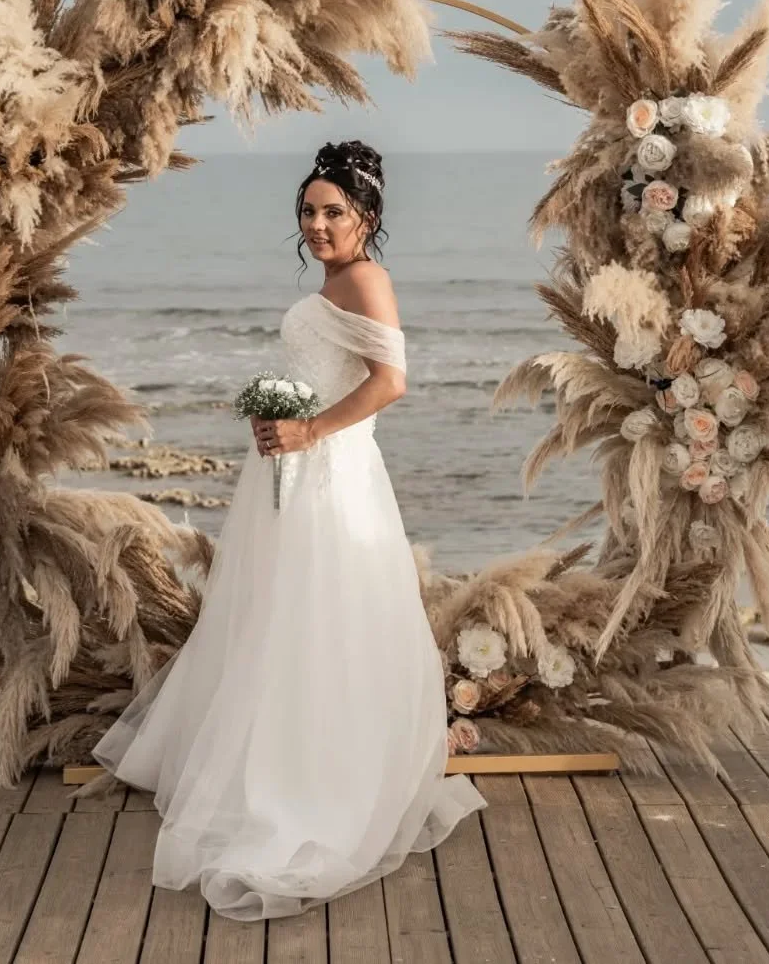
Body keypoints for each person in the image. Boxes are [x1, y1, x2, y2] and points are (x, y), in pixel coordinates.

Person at [92, 140, 485, 921]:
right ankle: (266, 759)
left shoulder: (366, 278)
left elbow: (391, 381)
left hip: (333, 478)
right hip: (293, 473)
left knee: (322, 618)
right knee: (277, 617)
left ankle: (313, 780)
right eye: (307, 211)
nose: (316, 223)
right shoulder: (335, 280)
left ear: (365, 216)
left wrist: (310, 432)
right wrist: (284, 424)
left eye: (332, 211)